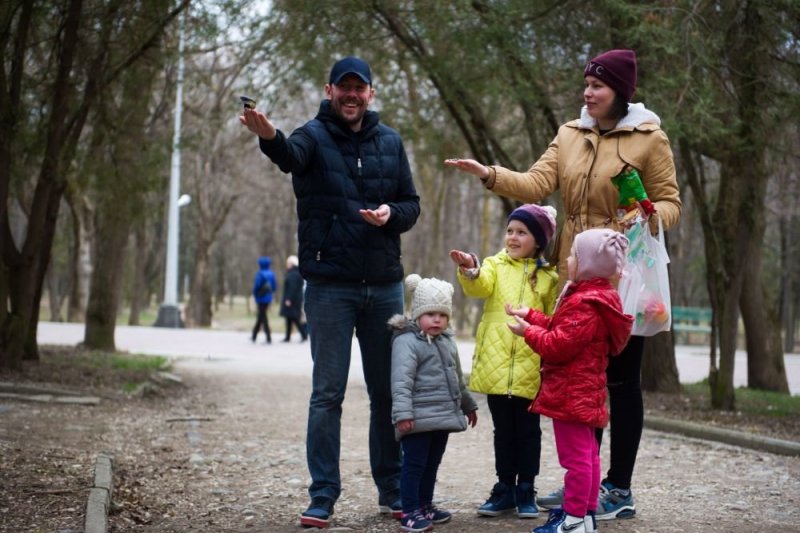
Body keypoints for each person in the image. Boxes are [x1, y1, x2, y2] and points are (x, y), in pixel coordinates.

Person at [445, 48, 681, 520]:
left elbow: (671, 204)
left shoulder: (650, 139)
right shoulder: (569, 134)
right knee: (582, 378)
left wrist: (647, 216)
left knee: (621, 381)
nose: (587, 92)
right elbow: (536, 182)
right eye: (586, 85)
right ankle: (586, 482)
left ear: (620, 91)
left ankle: (618, 487)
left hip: (623, 277)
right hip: (575, 275)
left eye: (597, 86)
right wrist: (489, 174)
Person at [240, 56, 421, 528]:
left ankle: (392, 488)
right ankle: (322, 495)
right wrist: (269, 137)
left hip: (383, 286)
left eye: (359, 88)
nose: (351, 95)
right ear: (329, 90)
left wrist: (390, 215)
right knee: (327, 395)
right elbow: (289, 156)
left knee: (387, 395)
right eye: (344, 87)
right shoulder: (312, 136)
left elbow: (411, 203)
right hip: (329, 288)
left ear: (371, 95)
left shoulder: (390, 141)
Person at [507, 228, 634, 533]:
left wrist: (528, 333)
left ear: (588, 263)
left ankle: (574, 518)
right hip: (582, 390)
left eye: (574, 255)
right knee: (588, 455)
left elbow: (558, 345)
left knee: (576, 460)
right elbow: (564, 329)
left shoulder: (584, 303)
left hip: (571, 392)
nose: (567, 258)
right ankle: (586, 515)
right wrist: (534, 316)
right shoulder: (593, 297)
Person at [448, 203, 559, 519]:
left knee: (528, 431)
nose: (512, 237)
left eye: (521, 232)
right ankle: (504, 487)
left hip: (530, 366)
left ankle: (526, 487)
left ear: (538, 240)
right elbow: (478, 285)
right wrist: (470, 268)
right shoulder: (495, 265)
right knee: (503, 431)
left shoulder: (548, 276)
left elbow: (552, 319)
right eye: (510, 230)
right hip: (496, 365)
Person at [389, 274, 479, 532]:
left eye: (442, 314)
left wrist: (468, 405)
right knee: (414, 465)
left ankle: (425, 505)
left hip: (441, 417)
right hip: (416, 419)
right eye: (430, 314)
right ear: (417, 314)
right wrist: (403, 414)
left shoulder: (446, 342)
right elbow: (401, 381)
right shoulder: (406, 342)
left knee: (431, 464)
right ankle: (409, 511)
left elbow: (457, 379)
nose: (437, 319)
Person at [279, 255, 307, 342]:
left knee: (295, 318)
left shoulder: (293, 274)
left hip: (292, 300)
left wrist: (288, 299)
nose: (287, 264)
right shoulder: (296, 273)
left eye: (288, 263)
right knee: (289, 318)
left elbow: (292, 288)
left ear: (292, 263)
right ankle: (288, 336)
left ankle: (303, 334)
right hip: (295, 300)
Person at [251, 256, 277, 344]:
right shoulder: (271, 273)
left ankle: (268, 336)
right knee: (261, 316)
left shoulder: (259, 273)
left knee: (263, 316)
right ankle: (254, 335)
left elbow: (256, 286)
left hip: (260, 298)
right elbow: (274, 287)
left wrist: (254, 294)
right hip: (268, 298)